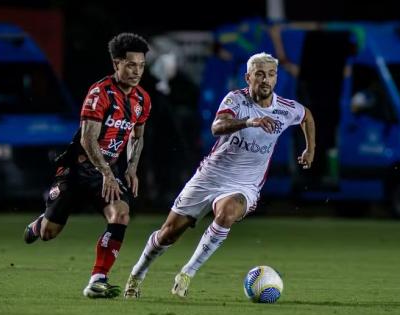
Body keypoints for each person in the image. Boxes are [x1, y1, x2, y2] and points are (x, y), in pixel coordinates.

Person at [123, 52, 315, 299]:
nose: (265, 80)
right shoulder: (236, 100)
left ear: (276, 78)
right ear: (248, 77)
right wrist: (249, 121)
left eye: (270, 74)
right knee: (168, 233)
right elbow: (217, 127)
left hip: (245, 184)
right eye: (259, 74)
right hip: (210, 177)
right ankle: (137, 275)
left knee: (227, 213)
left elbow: (306, 116)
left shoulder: (285, 109)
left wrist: (310, 148)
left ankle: (187, 274)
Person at [23, 33, 151, 299]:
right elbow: (88, 138)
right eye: (130, 65)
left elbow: (138, 137)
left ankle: (98, 279)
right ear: (116, 64)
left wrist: (130, 169)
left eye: (141, 65)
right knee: (49, 233)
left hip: (109, 172)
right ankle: (40, 224)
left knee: (121, 215)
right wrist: (106, 172)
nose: (136, 71)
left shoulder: (142, 100)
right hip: (78, 170)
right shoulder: (100, 93)